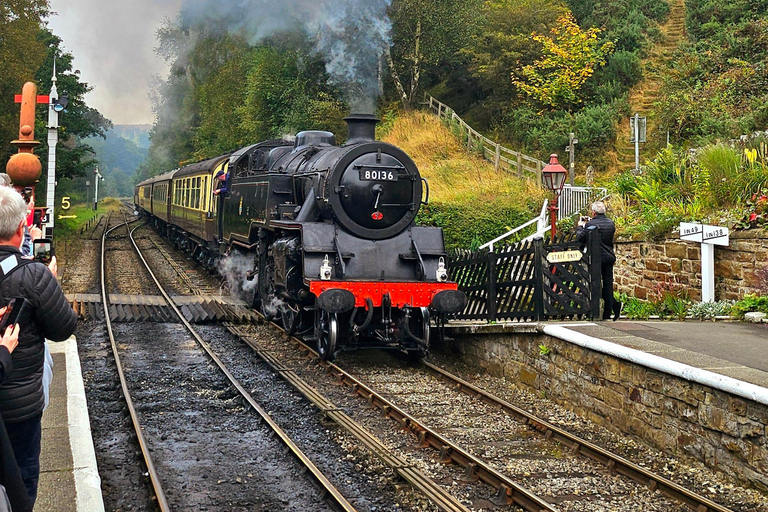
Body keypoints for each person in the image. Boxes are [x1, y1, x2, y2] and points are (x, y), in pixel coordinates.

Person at [0, 186, 77, 506]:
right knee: (22, 477)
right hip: (20, 408)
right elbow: (63, 328)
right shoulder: (34, 274)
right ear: (21, 228)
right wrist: (52, 283)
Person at [577, 201, 622, 321]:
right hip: (609, 256)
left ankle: (600, 310)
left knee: (594, 284)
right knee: (608, 284)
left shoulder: (591, 224)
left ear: (593, 212)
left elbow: (580, 238)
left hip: (597, 258)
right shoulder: (610, 223)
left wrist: (581, 226)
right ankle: (609, 311)